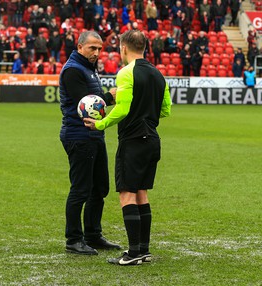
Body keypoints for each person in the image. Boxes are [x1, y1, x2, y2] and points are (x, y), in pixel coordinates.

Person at [83, 30, 171, 265]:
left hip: (133, 140)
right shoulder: (159, 74)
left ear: (123, 48)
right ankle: (143, 249)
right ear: (145, 48)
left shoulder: (126, 73)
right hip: (153, 139)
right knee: (141, 192)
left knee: (127, 193)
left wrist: (99, 123)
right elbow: (166, 110)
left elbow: (122, 109)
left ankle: (133, 254)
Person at [59, 31, 120, 255]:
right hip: (79, 136)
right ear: (80, 47)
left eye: (99, 49)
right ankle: (73, 239)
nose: (96, 52)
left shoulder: (88, 68)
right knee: (81, 190)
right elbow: (86, 104)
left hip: (94, 135)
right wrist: (110, 97)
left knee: (100, 188)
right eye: (92, 48)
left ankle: (93, 235)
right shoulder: (73, 70)